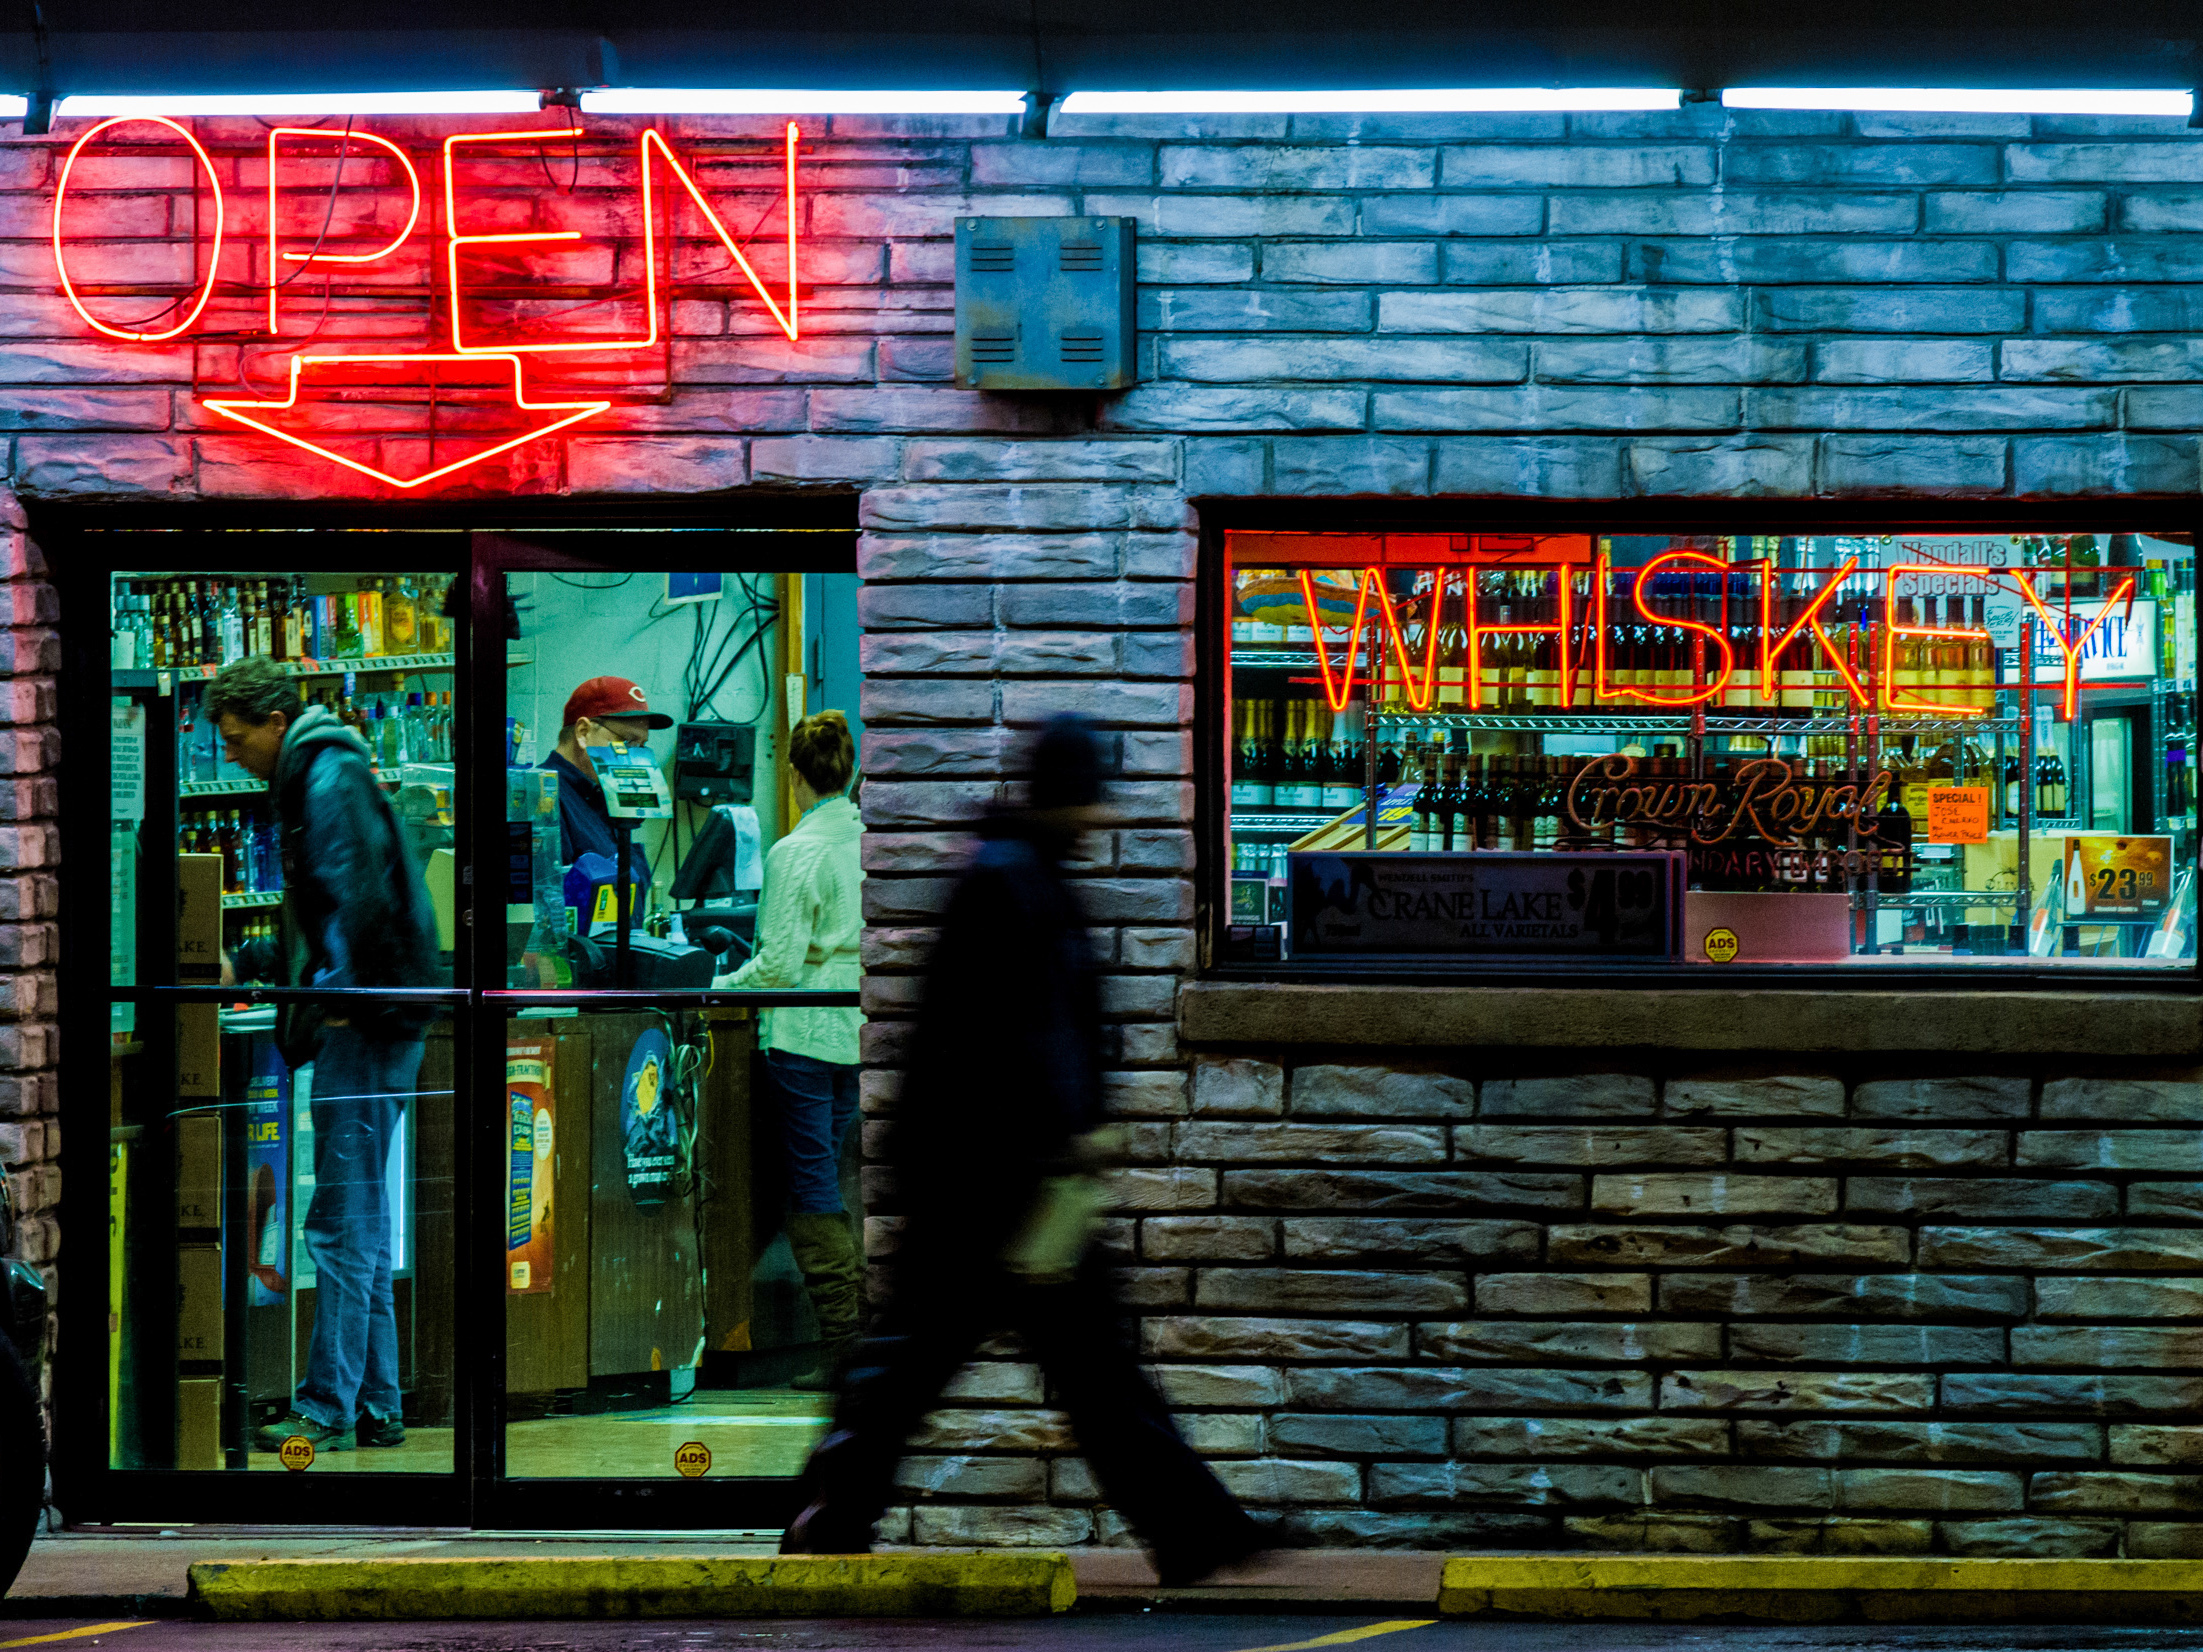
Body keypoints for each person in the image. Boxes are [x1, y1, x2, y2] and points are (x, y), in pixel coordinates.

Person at [780, 716, 1264, 1584]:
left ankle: (1197, 1532)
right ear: (1064, 798)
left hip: (994, 1175)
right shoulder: (1014, 885)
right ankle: (1197, 1533)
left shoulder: (1012, 874)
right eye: (1089, 801)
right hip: (998, 1182)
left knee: (1009, 1369)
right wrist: (1069, 1136)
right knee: (1035, 1371)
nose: (1098, 821)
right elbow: (1024, 1038)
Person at [208, 656, 441, 1454]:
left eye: (239, 740)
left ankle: (325, 1406)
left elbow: (355, 903)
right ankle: (377, 1403)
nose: (232, 755)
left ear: (277, 723)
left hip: (367, 1022)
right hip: (383, 1013)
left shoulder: (325, 779)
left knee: (339, 1224)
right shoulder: (330, 768)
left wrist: (334, 1000)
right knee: (363, 1221)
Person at [712, 711, 865, 1388]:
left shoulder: (794, 852)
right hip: (855, 1031)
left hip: (802, 1038)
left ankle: (842, 1346)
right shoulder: (867, 839)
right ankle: (852, 1340)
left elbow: (774, 966)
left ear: (794, 774)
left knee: (810, 1185)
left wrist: (714, 983)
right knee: (832, 1177)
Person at [542, 675, 672, 892]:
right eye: (628, 742)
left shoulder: (605, 795)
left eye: (641, 746)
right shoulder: (545, 796)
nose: (634, 757)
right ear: (583, 732)